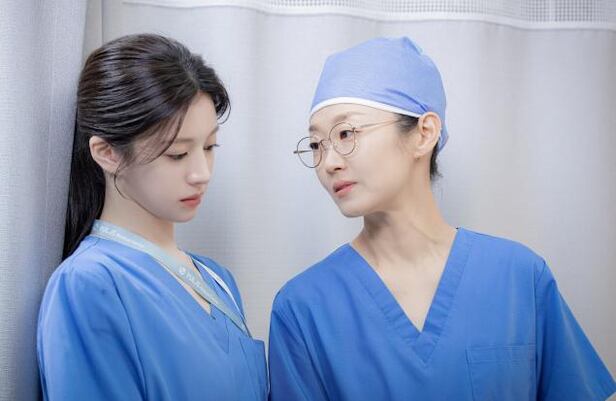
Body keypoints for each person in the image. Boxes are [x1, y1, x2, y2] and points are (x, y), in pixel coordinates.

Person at [268, 37, 615, 401]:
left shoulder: (520, 278)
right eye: (316, 144)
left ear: (424, 133)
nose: (328, 162)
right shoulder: (304, 308)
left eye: (345, 134)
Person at [37, 34, 267, 401]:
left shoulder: (217, 280)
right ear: (107, 153)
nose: (202, 173)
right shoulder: (89, 284)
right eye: (177, 154)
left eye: (209, 147)